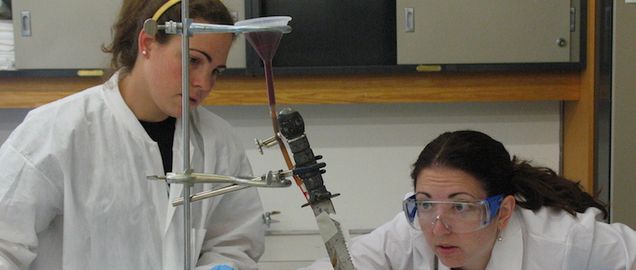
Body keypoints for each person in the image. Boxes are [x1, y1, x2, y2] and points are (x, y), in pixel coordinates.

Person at [0, 0, 265, 269]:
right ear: (147, 43)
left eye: (215, 71)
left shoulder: (218, 142)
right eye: (193, 60)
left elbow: (233, 244)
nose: (204, 83)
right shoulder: (58, 130)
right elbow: (4, 243)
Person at [301, 130, 636, 270]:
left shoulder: (563, 240)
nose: (438, 227)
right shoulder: (414, 229)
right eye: (426, 203)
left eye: (460, 207)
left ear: (503, 211)